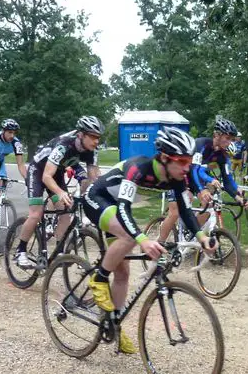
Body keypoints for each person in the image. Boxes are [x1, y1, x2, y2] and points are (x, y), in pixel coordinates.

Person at [82, 127, 215, 354]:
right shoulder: (139, 167)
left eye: (189, 161)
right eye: (182, 161)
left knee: (123, 273)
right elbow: (123, 208)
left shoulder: (176, 178)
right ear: (164, 158)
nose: (187, 167)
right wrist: (143, 240)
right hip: (97, 199)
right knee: (130, 237)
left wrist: (203, 238)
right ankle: (98, 278)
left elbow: (184, 210)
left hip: (117, 208)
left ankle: (113, 324)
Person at [13, 116, 103, 269]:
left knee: (66, 212)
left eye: (98, 138)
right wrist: (60, 192)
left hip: (57, 173)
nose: (96, 141)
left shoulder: (92, 151)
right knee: (36, 213)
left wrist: (95, 190)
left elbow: (94, 177)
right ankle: (20, 251)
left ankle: (59, 252)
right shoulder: (64, 145)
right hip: (38, 171)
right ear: (81, 135)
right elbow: (46, 177)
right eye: (93, 137)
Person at [156, 116, 245, 241]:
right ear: (217, 135)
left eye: (232, 139)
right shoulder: (202, 144)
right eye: (227, 138)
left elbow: (228, 179)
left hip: (193, 179)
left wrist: (237, 196)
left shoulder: (222, 155)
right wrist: (201, 190)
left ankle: (190, 230)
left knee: (208, 205)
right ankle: (159, 246)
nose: (230, 142)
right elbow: (194, 169)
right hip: (178, 176)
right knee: (176, 210)